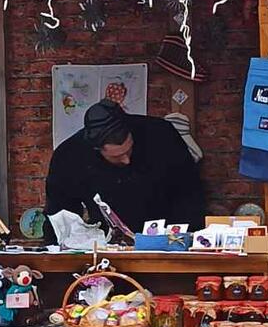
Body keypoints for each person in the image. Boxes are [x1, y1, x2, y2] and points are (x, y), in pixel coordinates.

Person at [45, 99, 205, 236]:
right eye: (116, 157)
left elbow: (190, 192)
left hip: (167, 238)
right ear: (97, 149)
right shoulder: (69, 155)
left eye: (129, 151)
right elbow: (59, 214)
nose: (127, 160)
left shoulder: (160, 134)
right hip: (107, 245)